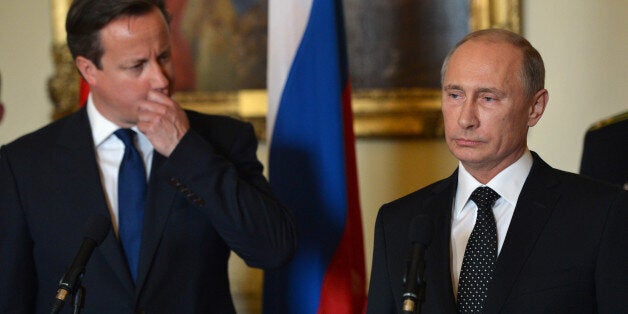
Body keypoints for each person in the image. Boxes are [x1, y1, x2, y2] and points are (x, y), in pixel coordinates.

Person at [0, 0, 296, 313]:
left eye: (164, 56)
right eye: (137, 65)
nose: (161, 79)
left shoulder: (223, 140)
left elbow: (273, 250)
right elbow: (10, 296)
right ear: (89, 70)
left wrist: (186, 151)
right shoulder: (23, 165)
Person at [366, 29, 627, 313]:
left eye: (488, 98)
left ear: (535, 107)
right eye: (455, 95)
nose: (465, 118)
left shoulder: (603, 214)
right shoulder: (398, 223)